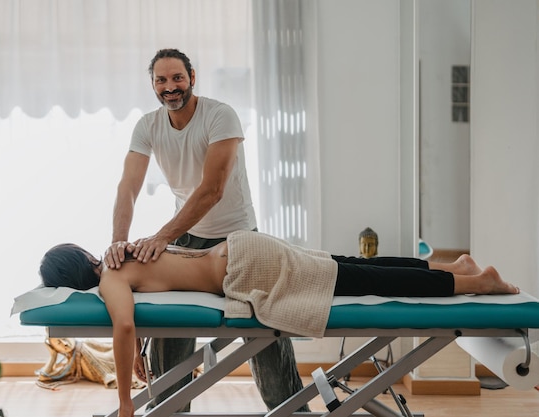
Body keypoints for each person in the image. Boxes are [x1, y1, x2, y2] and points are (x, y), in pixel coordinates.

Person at [39, 230, 519, 417]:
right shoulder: (121, 257)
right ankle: (458, 270)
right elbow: (144, 315)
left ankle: (479, 283)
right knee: (350, 268)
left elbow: (123, 326)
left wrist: (125, 403)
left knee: (355, 277)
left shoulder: (111, 277)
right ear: (81, 255)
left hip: (246, 269)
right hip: (241, 250)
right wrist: (145, 359)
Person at [102, 48, 303, 412]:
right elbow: (128, 187)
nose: (170, 87)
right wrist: (118, 242)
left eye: (177, 78)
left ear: (192, 77)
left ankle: (291, 410)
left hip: (238, 237)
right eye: (160, 80)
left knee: (263, 333)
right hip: (186, 237)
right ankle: (170, 410)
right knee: (169, 334)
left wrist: (161, 237)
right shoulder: (148, 126)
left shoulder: (220, 115)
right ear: (152, 84)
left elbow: (212, 189)